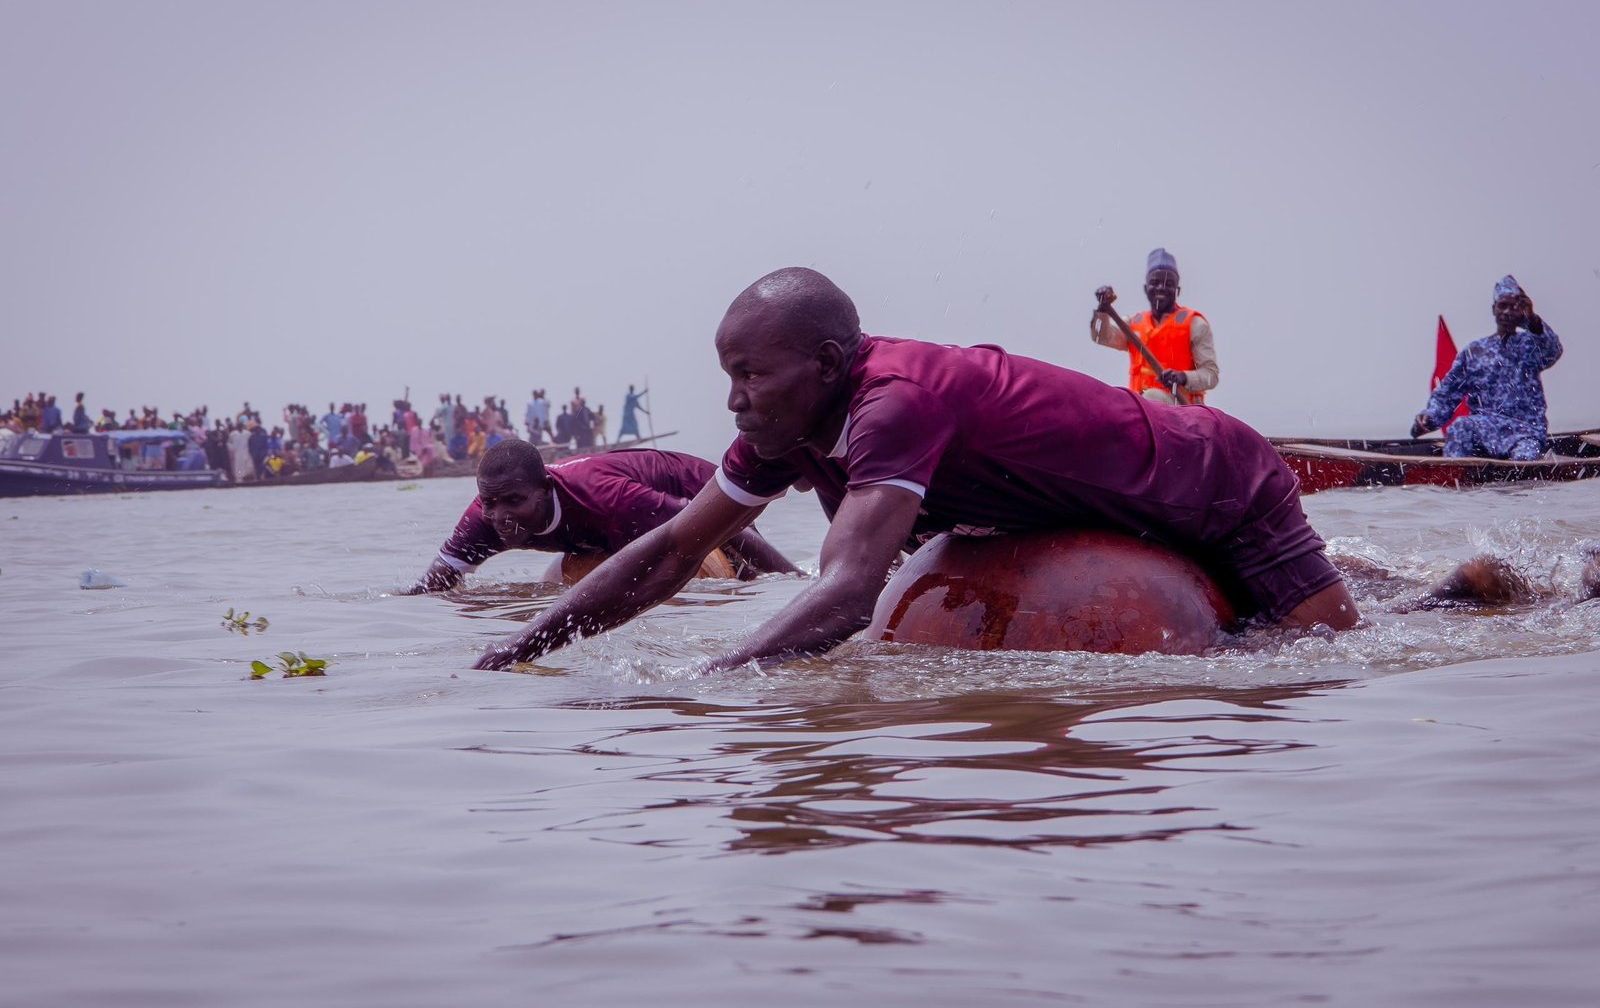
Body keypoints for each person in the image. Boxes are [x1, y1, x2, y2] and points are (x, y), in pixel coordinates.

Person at [474, 266, 1358, 671]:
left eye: (751, 376)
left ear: (826, 364)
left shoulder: (896, 401)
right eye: (727, 378)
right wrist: (516, 651)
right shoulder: (784, 433)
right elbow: (671, 552)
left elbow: (853, 590)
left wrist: (720, 683)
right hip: (1114, 522)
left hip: (1217, 484)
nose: (735, 401)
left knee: (1314, 657)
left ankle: (1461, 590)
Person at [408, 439, 798, 594]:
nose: (499, 516)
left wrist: (791, 581)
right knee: (553, 589)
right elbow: (436, 583)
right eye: (490, 503)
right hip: (607, 534)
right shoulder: (484, 517)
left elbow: (724, 525)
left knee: (721, 588)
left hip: (700, 496)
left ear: (546, 489)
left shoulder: (608, 497)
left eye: (512, 501)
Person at [1411, 275, 1562, 460]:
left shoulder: (1530, 345)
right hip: (1485, 427)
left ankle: (1519, 484)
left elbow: (1552, 350)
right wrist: (1429, 418)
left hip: (1525, 430)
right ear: (1493, 309)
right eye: (1502, 306)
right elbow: (1448, 393)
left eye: (1513, 307)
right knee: (1460, 427)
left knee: (1524, 459)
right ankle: (1453, 479)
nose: (1506, 312)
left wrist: (1532, 320)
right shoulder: (1475, 352)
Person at [1090, 247, 1219, 404]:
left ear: (1177, 290)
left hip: (1181, 411)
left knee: (1153, 397)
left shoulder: (1195, 324)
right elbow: (1100, 337)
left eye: (1168, 284)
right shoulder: (1133, 323)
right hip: (1140, 409)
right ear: (1146, 289)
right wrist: (1102, 312)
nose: (1160, 288)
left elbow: (1211, 375)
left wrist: (1184, 377)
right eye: (1155, 283)